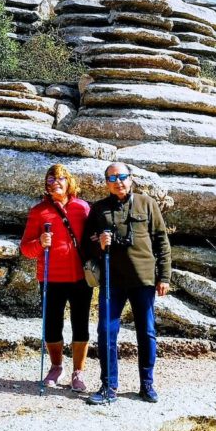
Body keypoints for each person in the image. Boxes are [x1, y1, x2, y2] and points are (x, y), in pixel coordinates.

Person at [84, 162, 171, 405]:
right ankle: (108, 386)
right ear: (106, 183)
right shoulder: (99, 209)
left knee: (147, 332)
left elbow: (162, 242)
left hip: (143, 279)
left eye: (122, 176)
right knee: (106, 331)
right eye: (112, 178)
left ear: (131, 179)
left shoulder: (147, 203)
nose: (118, 182)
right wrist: (99, 244)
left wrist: (164, 277)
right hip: (112, 280)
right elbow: (86, 245)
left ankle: (147, 384)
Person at [20, 163, 93, 392]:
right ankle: (56, 367)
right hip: (50, 277)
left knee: (81, 325)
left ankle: (78, 372)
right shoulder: (38, 211)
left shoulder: (83, 208)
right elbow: (25, 249)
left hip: (80, 277)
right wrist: (40, 243)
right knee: (52, 326)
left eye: (60, 178)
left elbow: (91, 239)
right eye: (50, 180)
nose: (55, 183)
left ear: (69, 182)